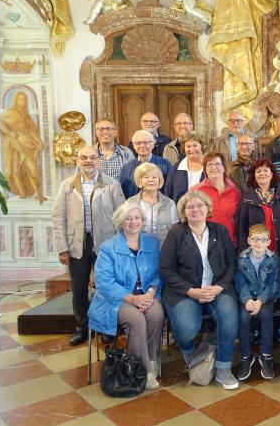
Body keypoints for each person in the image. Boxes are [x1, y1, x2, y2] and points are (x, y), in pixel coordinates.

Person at [159, 190, 240, 389]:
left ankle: (223, 368)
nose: (196, 210)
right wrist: (190, 291)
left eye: (200, 206)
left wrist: (219, 287)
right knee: (187, 329)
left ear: (208, 209)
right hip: (184, 291)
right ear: (184, 212)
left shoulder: (219, 231)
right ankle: (191, 354)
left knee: (229, 317)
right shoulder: (176, 233)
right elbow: (165, 269)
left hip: (216, 289)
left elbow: (231, 263)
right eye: (190, 207)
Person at [52, 145, 126, 345]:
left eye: (93, 157)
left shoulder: (112, 184)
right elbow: (58, 217)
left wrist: (120, 246)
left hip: (106, 243)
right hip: (78, 243)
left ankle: (107, 327)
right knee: (78, 289)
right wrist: (62, 247)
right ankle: (81, 327)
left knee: (107, 286)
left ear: (99, 160)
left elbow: (122, 216)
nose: (88, 161)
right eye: (84, 157)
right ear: (78, 160)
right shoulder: (67, 185)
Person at [89, 202, 164, 389]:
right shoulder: (108, 248)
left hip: (147, 294)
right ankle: (143, 370)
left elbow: (159, 272)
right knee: (136, 319)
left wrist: (151, 291)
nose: (133, 222)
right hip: (116, 299)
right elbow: (104, 282)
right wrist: (131, 298)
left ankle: (152, 359)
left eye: (137, 218)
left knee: (156, 314)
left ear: (143, 221)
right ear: (120, 222)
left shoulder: (152, 243)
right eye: (128, 218)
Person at [235, 224, 279, 381]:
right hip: (246, 297)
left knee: (267, 316)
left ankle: (266, 355)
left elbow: (272, 285)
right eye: (255, 239)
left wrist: (260, 301)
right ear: (249, 240)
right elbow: (240, 283)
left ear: (268, 242)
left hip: (265, 297)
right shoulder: (242, 259)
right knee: (243, 317)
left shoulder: (272, 260)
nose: (259, 243)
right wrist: (247, 300)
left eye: (263, 240)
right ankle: (245, 356)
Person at [237, 159, 280, 256]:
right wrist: (243, 252)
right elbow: (242, 227)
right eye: (258, 171)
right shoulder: (247, 197)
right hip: (256, 251)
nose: (262, 174)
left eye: (265, 170)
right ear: (254, 175)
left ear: (272, 174)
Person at [0, 90, 47, 202]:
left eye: (24, 100)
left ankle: (38, 193)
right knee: (15, 170)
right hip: (14, 145)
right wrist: (9, 133)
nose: (22, 102)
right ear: (16, 101)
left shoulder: (25, 116)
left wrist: (38, 141)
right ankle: (21, 193)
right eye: (20, 99)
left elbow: (31, 132)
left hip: (26, 144)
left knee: (32, 170)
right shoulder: (11, 113)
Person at [192, 152, 241, 245]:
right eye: (209, 165)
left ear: (224, 168)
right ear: (205, 169)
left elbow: (239, 220)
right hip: (205, 243)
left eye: (217, 164)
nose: (213, 167)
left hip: (229, 242)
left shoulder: (235, 191)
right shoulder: (195, 191)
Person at [126, 163, 178, 246]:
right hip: (138, 249)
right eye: (146, 177)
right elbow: (126, 228)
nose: (151, 180)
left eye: (154, 177)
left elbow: (175, 230)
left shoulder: (170, 203)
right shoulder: (130, 203)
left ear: (159, 180)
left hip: (163, 249)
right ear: (140, 181)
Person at [120, 130, 172, 198]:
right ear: (134, 146)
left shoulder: (165, 164)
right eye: (138, 143)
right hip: (134, 206)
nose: (142, 146)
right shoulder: (126, 168)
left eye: (146, 142)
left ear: (153, 144)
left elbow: (169, 189)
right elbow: (124, 192)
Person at [164, 132, 206, 203]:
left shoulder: (209, 166)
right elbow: (168, 193)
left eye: (195, 145)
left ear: (202, 146)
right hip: (180, 212)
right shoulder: (176, 168)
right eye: (188, 146)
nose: (191, 149)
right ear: (184, 148)